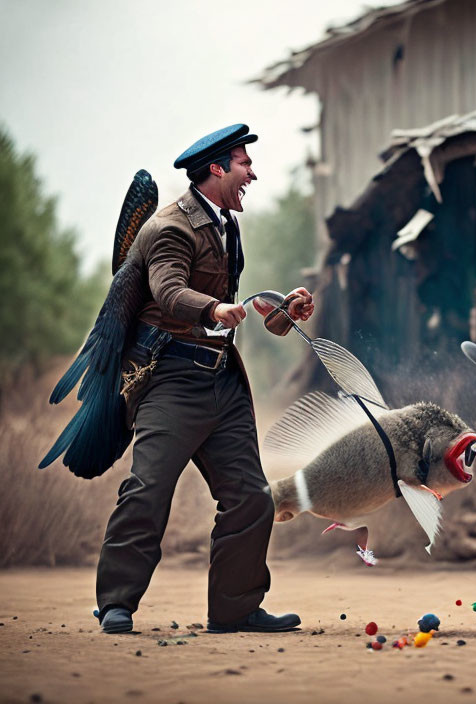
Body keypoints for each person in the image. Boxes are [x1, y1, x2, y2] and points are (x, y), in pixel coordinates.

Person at [96, 124, 314, 634]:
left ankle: (235, 610)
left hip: (222, 382)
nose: (251, 173)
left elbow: (245, 312)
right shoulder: (170, 226)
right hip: (170, 380)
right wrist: (214, 307)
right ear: (216, 168)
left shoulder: (224, 224)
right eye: (244, 164)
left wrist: (285, 311)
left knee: (251, 499)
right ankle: (115, 603)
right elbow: (169, 292)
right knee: (147, 489)